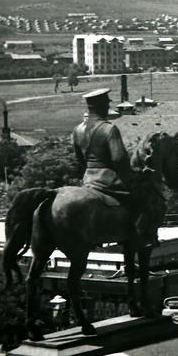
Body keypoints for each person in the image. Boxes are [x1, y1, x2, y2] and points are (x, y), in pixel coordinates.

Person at [72, 88, 156, 249]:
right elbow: (119, 160)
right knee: (143, 199)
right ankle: (140, 238)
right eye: (107, 102)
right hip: (109, 181)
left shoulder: (78, 129)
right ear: (102, 106)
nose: (108, 105)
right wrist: (132, 177)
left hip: (88, 180)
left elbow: (79, 159)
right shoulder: (109, 129)